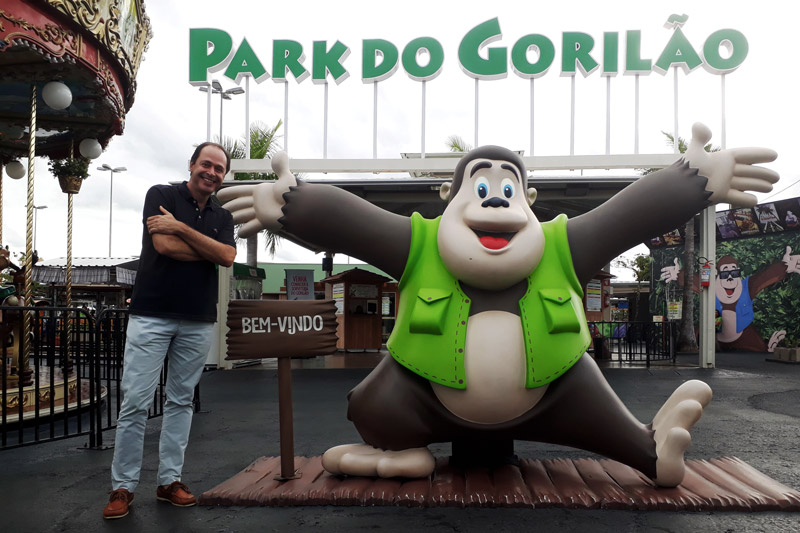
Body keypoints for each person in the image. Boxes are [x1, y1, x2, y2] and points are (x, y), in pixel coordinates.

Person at [102, 142, 236, 520]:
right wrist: (206, 248)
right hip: (152, 315)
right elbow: (162, 246)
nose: (212, 172)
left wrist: (179, 227)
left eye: (219, 168)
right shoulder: (160, 194)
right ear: (192, 165)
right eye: (206, 164)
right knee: (135, 403)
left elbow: (227, 257)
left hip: (197, 318)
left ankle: (169, 481)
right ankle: (122, 487)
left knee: (181, 402)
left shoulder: (223, 216)